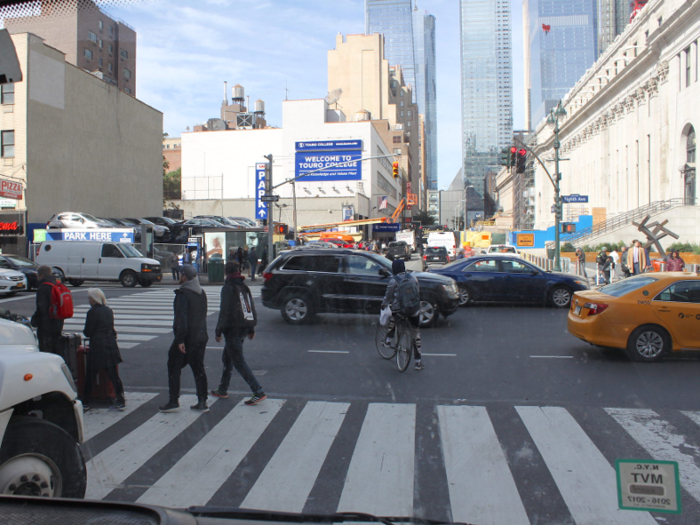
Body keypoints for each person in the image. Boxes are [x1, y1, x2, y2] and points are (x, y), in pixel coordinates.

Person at [210, 261, 267, 405]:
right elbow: (249, 308)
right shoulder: (243, 286)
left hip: (232, 328)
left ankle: (258, 390)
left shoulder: (228, 288)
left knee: (238, 361)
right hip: (242, 327)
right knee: (228, 358)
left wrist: (218, 331)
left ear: (226, 273)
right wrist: (251, 328)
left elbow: (224, 311)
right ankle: (223, 389)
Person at [159, 264, 210, 413]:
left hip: (188, 338)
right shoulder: (201, 293)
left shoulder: (183, 294)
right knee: (198, 367)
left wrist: (180, 339)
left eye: (181, 274)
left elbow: (181, 318)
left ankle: (173, 400)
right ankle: (202, 400)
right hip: (201, 336)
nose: (179, 276)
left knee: (173, 366)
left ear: (185, 277)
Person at [82, 288, 125, 412]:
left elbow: (88, 331)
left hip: (97, 346)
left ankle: (85, 401)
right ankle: (121, 399)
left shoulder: (92, 312)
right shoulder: (108, 310)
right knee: (113, 375)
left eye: (90, 298)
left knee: (90, 375)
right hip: (110, 345)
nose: (89, 300)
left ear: (94, 299)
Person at [381, 259, 424, 371]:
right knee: (416, 333)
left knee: (393, 317)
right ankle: (418, 361)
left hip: (400, 310)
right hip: (414, 310)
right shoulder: (413, 277)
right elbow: (417, 293)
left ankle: (388, 339)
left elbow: (388, 297)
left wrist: (384, 305)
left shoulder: (393, 281)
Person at [31, 265, 64, 354]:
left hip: (46, 324)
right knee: (55, 346)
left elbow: (41, 308)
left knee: (45, 348)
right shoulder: (57, 285)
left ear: (41, 276)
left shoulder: (43, 288)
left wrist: (35, 320)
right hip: (58, 321)